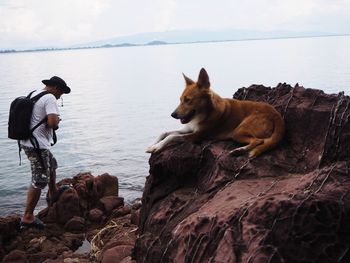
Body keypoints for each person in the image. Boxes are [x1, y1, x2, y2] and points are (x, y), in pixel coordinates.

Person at [20, 76, 71, 229]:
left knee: (52, 164)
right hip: (36, 145)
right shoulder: (49, 98)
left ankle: (53, 192)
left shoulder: (34, 94)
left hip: (29, 141)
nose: (60, 96)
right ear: (55, 87)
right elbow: (52, 122)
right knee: (39, 178)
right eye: (61, 92)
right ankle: (28, 216)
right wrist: (57, 123)